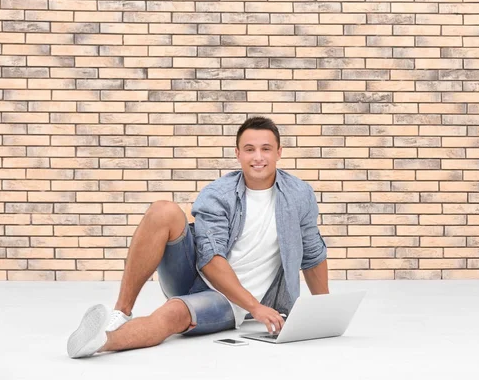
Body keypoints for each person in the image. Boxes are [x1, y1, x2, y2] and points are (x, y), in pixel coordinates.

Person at [67, 116, 329, 358]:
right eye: (249, 149)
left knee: (172, 314)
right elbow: (209, 259)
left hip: (227, 302)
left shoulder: (298, 194)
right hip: (194, 275)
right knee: (163, 210)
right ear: (238, 154)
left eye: (266, 149)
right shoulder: (218, 194)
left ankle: (100, 341)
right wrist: (256, 308)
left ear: (279, 152)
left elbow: (313, 253)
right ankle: (121, 313)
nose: (258, 157)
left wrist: (324, 311)